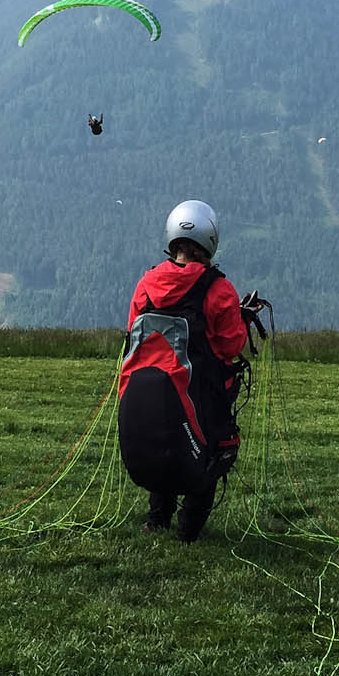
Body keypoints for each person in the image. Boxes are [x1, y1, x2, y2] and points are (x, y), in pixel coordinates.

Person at [118, 199, 252, 543]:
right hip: (201, 396)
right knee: (214, 451)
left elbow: (133, 330)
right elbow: (231, 346)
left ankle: (156, 520)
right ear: (210, 239)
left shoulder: (147, 283)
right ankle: (188, 533)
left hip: (142, 397)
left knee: (164, 438)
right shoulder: (218, 290)